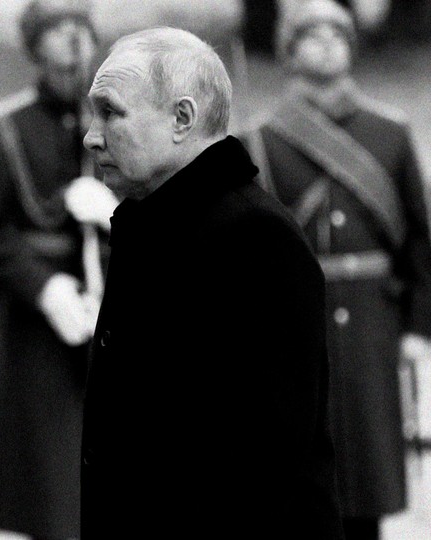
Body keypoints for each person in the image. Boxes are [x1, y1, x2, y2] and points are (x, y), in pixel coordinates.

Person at [81, 27, 345, 539]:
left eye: (110, 112)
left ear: (182, 118)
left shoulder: (254, 237)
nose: (92, 135)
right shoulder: (153, 222)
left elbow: (262, 460)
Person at [249, 1, 431, 538]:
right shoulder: (264, 138)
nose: (327, 42)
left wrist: (419, 327)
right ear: (288, 51)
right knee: (305, 476)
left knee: (368, 481)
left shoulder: (390, 133)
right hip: (300, 327)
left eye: (338, 33)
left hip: (375, 324)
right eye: (311, 34)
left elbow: (420, 242)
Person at [0, 1, 116, 538]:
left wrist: (115, 216)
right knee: (55, 496)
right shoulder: (6, 129)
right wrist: (45, 286)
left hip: (121, 316)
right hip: (41, 332)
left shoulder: (124, 120)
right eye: (58, 31)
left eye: (80, 28)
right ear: (34, 48)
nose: (73, 41)